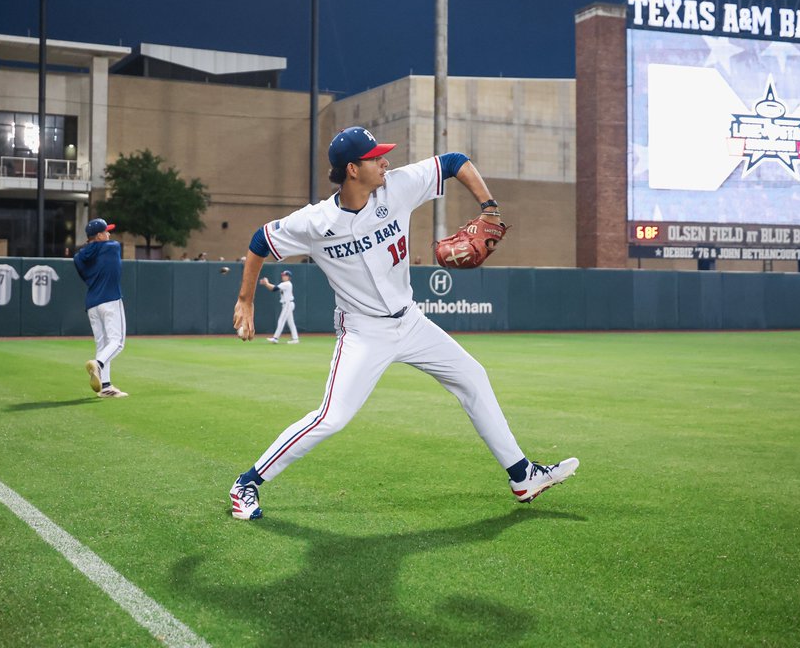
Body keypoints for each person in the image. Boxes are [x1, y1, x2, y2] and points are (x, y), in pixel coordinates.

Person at [228, 126, 578, 520]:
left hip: (410, 322)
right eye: (375, 157)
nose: (385, 161)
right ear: (352, 170)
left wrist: (489, 207)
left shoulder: (397, 187)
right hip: (363, 332)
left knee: (472, 377)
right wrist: (246, 299)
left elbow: (454, 162)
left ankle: (523, 476)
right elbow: (260, 240)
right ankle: (247, 483)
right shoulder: (315, 222)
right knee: (332, 417)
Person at [73, 218, 128, 398]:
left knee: (103, 343)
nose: (109, 234)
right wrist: (98, 363)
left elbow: (85, 253)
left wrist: (91, 244)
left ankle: (105, 386)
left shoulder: (79, 257)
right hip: (110, 299)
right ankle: (98, 364)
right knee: (117, 342)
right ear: (98, 235)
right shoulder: (112, 248)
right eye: (106, 231)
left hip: (92, 304)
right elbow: (110, 245)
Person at [260, 270, 299, 344]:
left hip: (288, 304)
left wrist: (266, 283)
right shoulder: (285, 283)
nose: (283, 276)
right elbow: (273, 288)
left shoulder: (287, 284)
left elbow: (274, 289)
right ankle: (295, 339)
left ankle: (275, 338)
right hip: (288, 304)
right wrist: (266, 284)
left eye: (285, 275)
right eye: (283, 275)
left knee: (281, 321)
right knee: (291, 322)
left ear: (288, 277)